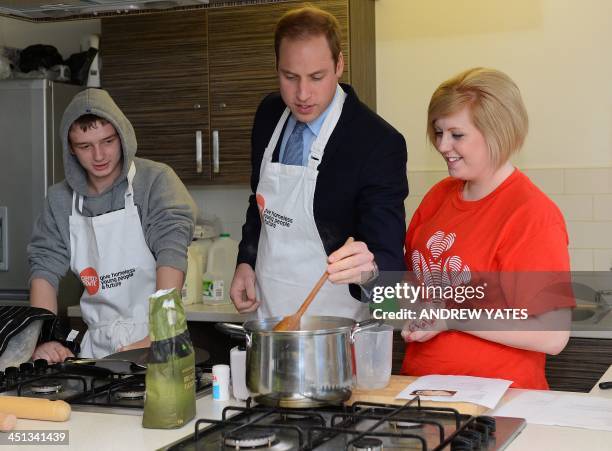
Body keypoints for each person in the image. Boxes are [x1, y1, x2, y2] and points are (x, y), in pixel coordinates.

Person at [401, 67, 574, 389]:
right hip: (420, 391)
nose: (442, 145)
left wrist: (451, 317)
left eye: (457, 134)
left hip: (500, 399)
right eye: (439, 133)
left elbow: (552, 334)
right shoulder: (438, 197)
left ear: (497, 132)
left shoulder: (531, 214)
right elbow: (414, 287)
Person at [230, 6, 408, 320]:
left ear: (339, 65)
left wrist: (370, 271)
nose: (302, 94)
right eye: (289, 77)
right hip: (270, 319)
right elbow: (260, 203)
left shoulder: (377, 143)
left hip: (339, 334)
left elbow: (391, 278)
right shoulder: (269, 115)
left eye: (316, 77)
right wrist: (246, 258)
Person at [28, 88, 196, 362]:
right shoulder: (60, 200)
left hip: (157, 339)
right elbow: (44, 269)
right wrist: (43, 339)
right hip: (97, 348)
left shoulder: (154, 181)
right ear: (71, 148)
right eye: (85, 146)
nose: (99, 155)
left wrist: (161, 331)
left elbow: (171, 250)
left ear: (123, 135)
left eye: (107, 141)